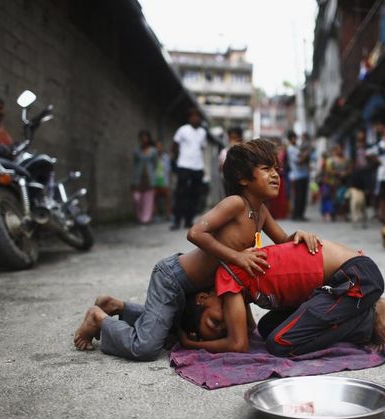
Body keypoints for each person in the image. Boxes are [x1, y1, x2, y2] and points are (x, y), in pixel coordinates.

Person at [73, 139, 320, 359]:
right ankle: (99, 319)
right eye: (266, 169)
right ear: (243, 179)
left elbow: (284, 242)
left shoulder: (261, 213)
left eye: (276, 168)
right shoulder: (235, 204)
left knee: (170, 330)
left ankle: (117, 306)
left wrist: (298, 236)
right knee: (146, 347)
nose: (275, 174)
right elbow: (195, 233)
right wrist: (237, 256)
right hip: (172, 278)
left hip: (197, 288)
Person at [178, 240, 385, 357]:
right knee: (268, 326)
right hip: (338, 285)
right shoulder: (237, 287)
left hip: (354, 279)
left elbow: (238, 344)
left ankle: (369, 318)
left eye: (214, 321)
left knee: (280, 344)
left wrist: (192, 344)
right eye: (224, 329)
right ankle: (358, 313)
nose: (226, 322)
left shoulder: (228, 275)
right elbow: (249, 328)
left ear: (203, 298)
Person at [171, 108, 207, 230]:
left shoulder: (203, 132)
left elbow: (202, 148)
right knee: (180, 193)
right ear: (189, 118)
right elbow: (174, 145)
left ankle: (188, 220)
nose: (196, 119)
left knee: (194, 194)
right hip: (184, 166)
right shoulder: (183, 130)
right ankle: (176, 221)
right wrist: (176, 160)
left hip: (197, 167)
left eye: (198, 117)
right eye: (193, 116)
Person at [131, 130, 157, 224]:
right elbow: (135, 164)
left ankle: (145, 219)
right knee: (136, 198)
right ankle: (139, 216)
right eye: (142, 137)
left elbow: (155, 164)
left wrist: (153, 176)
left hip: (149, 178)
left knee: (148, 200)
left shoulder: (153, 151)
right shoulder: (136, 151)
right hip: (138, 178)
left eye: (146, 137)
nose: (144, 139)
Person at [287, 131, 311, 221]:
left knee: (303, 197)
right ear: (290, 139)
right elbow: (298, 161)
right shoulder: (290, 149)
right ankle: (296, 215)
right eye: (293, 138)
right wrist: (306, 154)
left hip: (304, 174)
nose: (295, 139)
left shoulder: (297, 148)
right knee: (299, 196)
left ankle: (301, 214)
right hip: (297, 175)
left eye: (295, 137)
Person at [266, 138, 289, 220]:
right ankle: (273, 213)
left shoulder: (283, 152)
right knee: (273, 196)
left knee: (280, 195)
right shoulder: (270, 153)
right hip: (275, 175)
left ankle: (280, 213)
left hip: (281, 175)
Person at [153, 140, 171, 222]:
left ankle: (168, 215)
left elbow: (168, 170)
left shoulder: (166, 157)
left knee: (167, 200)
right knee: (154, 200)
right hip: (154, 181)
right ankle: (156, 216)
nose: (158, 148)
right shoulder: (153, 157)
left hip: (164, 181)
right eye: (157, 147)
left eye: (160, 146)